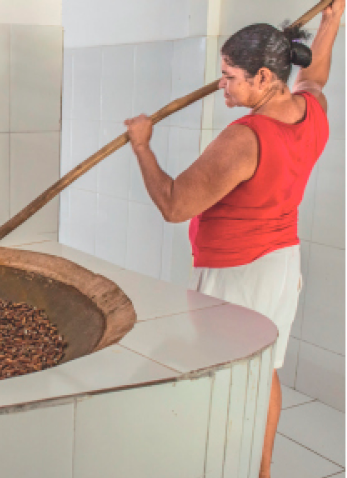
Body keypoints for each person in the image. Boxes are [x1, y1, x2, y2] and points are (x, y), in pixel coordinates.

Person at [124, 1, 344, 476]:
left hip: (237, 275)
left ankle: (224, 464)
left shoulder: (244, 139)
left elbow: (174, 204)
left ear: (264, 77)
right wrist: (333, 22)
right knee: (263, 371)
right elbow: (316, 78)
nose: (221, 85)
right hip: (283, 264)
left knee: (228, 372)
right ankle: (261, 470)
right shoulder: (311, 111)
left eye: (229, 76)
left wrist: (142, 145)